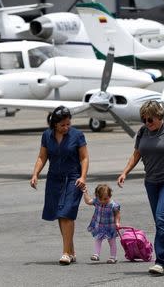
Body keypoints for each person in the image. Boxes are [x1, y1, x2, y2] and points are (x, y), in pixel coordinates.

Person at [117, 100, 164, 275]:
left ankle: (161, 261)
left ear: (159, 116)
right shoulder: (143, 131)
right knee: (162, 221)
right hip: (151, 182)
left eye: (150, 119)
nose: (147, 123)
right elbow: (136, 154)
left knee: (161, 217)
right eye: (144, 119)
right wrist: (125, 172)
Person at [30, 105, 89, 265]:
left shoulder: (77, 135)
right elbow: (42, 157)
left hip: (73, 178)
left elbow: (84, 158)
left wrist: (83, 177)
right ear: (54, 124)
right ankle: (71, 250)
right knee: (59, 214)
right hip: (54, 179)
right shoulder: (47, 135)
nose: (66, 127)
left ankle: (65, 253)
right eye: (62, 125)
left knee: (67, 213)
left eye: (68, 124)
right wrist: (35, 174)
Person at [82, 183, 120, 264]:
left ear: (110, 196)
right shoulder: (97, 202)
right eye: (100, 199)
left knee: (112, 241)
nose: (103, 201)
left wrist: (117, 222)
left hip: (110, 227)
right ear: (97, 196)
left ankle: (113, 257)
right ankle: (96, 254)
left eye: (105, 199)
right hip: (99, 226)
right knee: (98, 239)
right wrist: (85, 193)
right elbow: (88, 201)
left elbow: (117, 214)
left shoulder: (113, 205)